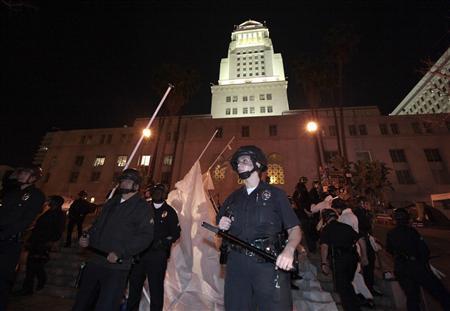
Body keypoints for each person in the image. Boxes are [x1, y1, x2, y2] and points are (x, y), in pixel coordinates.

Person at [217, 145, 302, 310]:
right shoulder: (232, 198)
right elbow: (220, 227)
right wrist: (222, 225)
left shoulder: (276, 195)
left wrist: (289, 250)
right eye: (237, 163)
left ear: (257, 164)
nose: (239, 165)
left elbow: (295, 229)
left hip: (268, 264)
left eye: (244, 161)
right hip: (237, 265)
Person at [72, 168, 154, 311]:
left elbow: (145, 236)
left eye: (128, 181)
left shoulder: (142, 208)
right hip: (94, 260)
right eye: (122, 180)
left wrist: (121, 252)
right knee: (82, 303)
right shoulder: (111, 203)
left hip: (116, 266)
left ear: (136, 186)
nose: (123, 183)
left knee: (106, 305)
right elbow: (98, 224)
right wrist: (87, 237)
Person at [127, 183, 181, 311]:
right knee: (134, 288)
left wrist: (163, 243)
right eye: (156, 191)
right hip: (139, 255)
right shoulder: (144, 209)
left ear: (165, 195)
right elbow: (133, 228)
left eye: (161, 191)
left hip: (157, 256)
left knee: (156, 289)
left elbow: (176, 233)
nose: (158, 193)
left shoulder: (170, 212)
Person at [386, 208, 450, 311]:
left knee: (412, 298)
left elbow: (389, 249)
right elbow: (424, 250)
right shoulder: (411, 232)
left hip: (401, 268)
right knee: (440, 293)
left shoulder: (391, 234)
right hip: (416, 266)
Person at [0, 166, 45, 310]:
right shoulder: (11, 193)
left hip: (10, 240)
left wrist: (4, 234)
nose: (21, 175)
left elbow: (26, 220)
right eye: (21, 172)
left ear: (33, 178)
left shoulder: (36, 195)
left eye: (25, 173)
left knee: (3, 279)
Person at [320, 208, 366, 311]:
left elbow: (324, 246)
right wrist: (364, 256)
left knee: (343, 288)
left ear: (325, 218)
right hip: (352, 259)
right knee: (347, 284)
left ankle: (352, 307)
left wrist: (324, 263)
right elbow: (361, 240)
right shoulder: (346, 227)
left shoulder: (327, 229)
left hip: (339, 260)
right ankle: (355, 305)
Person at [20, 195, 65, 295]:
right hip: (36, 242)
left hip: (44, 243)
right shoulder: (47, 213)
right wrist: (30, 240)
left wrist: (51, 241)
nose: (48, 202)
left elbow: (59, 230)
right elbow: (37, 228)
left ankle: (39, 281)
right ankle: (28, 287)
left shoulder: (59, 215)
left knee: (36, 265)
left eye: (51, 201)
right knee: (31, 265)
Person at [352, 196, 381, 296]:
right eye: (368, 203)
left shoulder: (362, 213)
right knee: (368, 265)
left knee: (370, 265)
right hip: (363, 240)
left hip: (365, 239)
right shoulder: (360, 213)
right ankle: (368, 288)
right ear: (362, 203)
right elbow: (365, 227)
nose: (370, 206)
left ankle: (369, 287)